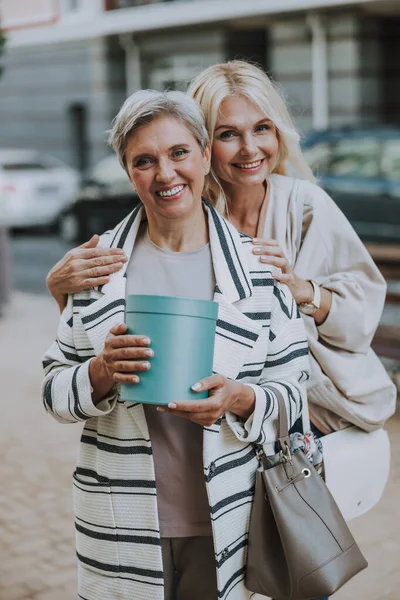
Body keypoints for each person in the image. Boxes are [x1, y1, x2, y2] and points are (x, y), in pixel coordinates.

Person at [41, 90, 309, 600]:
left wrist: (242, 398)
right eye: (144, 160)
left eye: (178, 153)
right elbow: (52, 390)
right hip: (121, 523)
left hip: (227, 519)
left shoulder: (258, 268)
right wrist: (98, 373)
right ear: (128, 171)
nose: (165, 174)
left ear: (206, 156)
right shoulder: (97, 267)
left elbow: (295, 391)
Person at [47, 60, 395, 437]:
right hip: (191, 423)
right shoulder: (174, 215)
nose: (250, 149)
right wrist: (59, 287)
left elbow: (362, 316)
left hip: (309, 406)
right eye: (229, 134)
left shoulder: (305, 206)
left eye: (262, 128)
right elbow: (93, 337)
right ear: (205, 144)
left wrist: (302, 291)